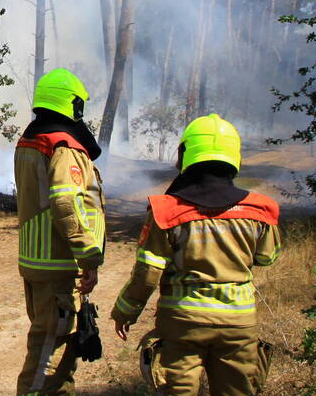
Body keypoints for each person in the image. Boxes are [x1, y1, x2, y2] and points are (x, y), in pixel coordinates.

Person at [111, 113, 281, 395]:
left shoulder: (167, 211)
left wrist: (125, 311)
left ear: (185, 154)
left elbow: (147, 273)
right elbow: (266, 257)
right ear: (234, 155)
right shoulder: (260, 211)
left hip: (182, 324)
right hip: (237, 323)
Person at [15, 68, 106, 396]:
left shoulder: (31, 139)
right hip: (58, 266)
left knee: (59, 353)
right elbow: (66, 206)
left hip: (39, 263)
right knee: (48, 361)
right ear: (73, 105)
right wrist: (89, 255)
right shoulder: (63, 147)